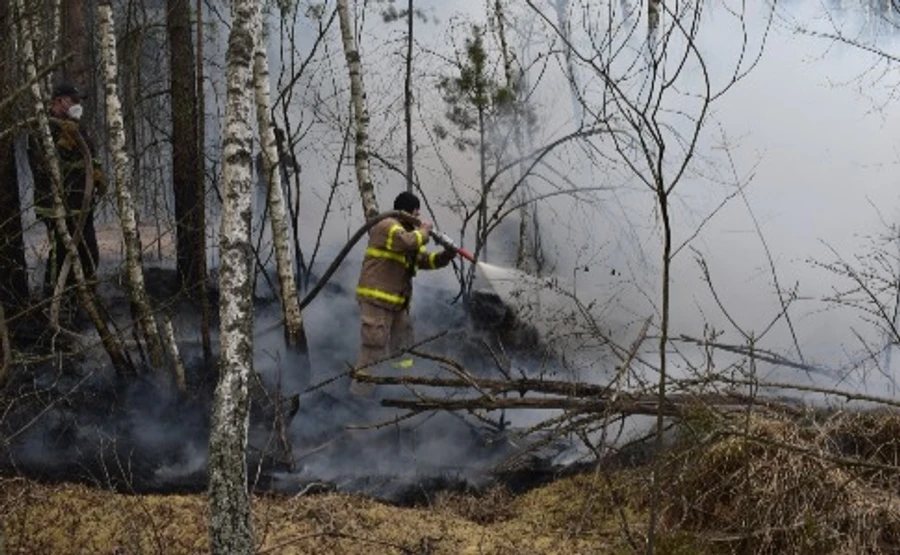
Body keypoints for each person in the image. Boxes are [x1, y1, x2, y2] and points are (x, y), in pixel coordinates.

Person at [350, 192, 457, 396]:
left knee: (404, 345)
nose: (419, 216)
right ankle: (360, 394)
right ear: (407, 211)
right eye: (416, 212)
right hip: (376, 299)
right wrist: (425, 231)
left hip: (397, 303)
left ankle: (401, 388)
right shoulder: (387, 226)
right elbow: (407, 242)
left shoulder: (407, 233)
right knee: (374, 345)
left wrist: (446, 255)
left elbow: (425, 261)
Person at [26, 82, 106, 300]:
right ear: (59, 101)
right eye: (74, 101)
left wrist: (97, 174)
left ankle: (85, 299)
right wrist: (66, 137)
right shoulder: (41, 129)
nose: (78, 105)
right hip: (55, 205)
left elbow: (88, 153)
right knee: (61, 254)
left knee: (88, 250)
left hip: (81, 202)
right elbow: (46, 167)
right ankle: (54, 300)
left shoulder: (77, 127)